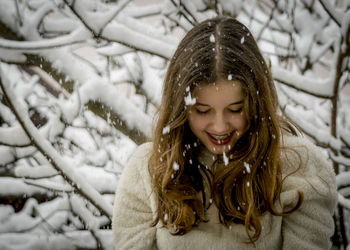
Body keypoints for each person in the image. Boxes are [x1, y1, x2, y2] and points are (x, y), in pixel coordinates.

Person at [112, 16, 337, 250]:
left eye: (235, 109)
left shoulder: (300, 167)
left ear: (257, 104)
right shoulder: (147, 169)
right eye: (202, 110)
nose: (220, 127)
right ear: (181, 109)